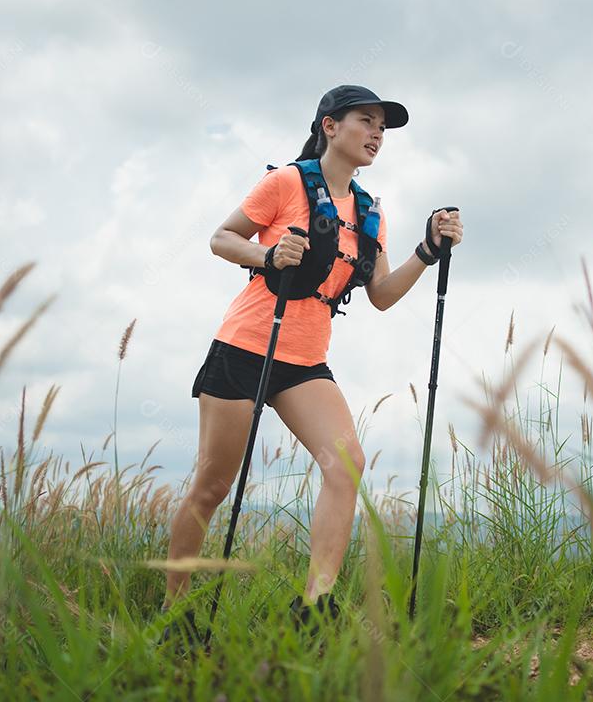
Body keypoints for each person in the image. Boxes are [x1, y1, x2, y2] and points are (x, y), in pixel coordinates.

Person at [160, 85, 463, 642]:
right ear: (329, 126)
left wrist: (427, 250)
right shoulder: (287, 183)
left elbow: (382, 295)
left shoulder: (370, 212)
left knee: (345, 464)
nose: (376, 134)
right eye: (365, 121)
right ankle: (176, 615)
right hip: (247, 344)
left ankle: (315, 608)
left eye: (382, 127)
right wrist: (268, 254)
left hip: (304, 360)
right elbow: (221, 238)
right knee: (212, 484)